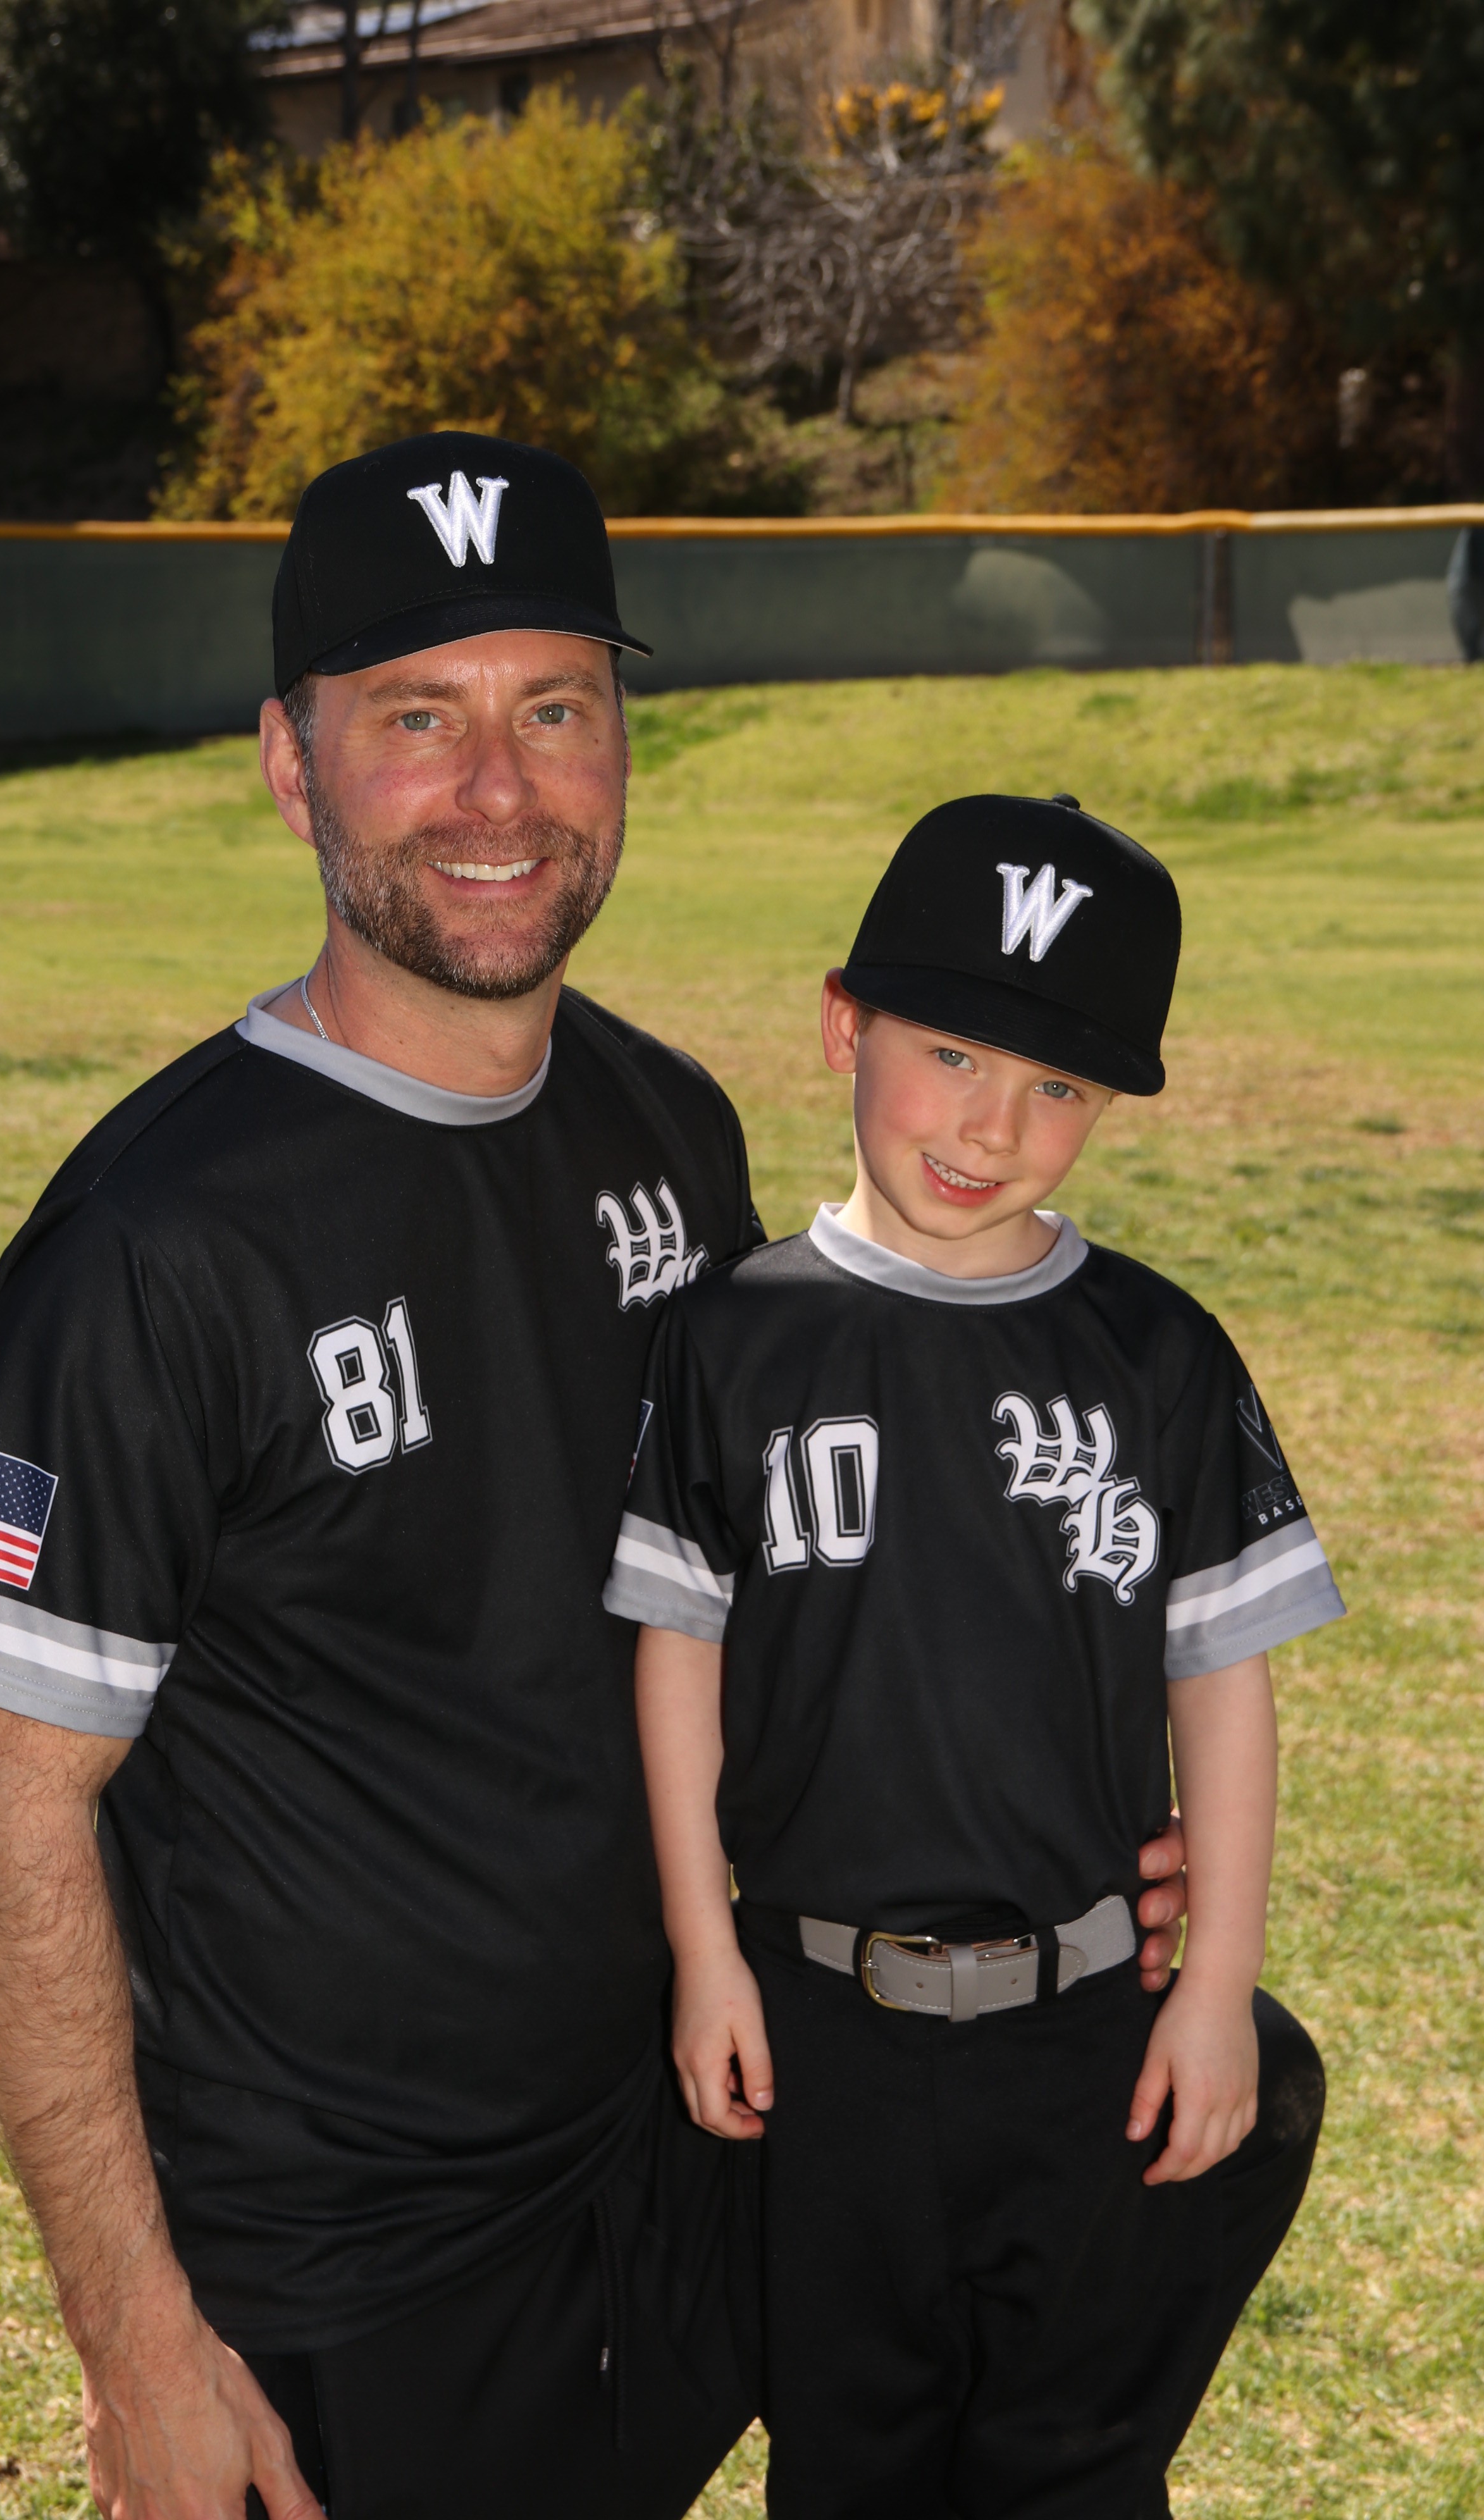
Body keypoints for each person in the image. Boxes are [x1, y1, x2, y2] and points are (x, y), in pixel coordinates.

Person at [0, 439, 1193, 2520]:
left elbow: (780, 1594)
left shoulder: (666, 1127)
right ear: (292, 765)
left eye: (557, 710)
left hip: (690, 2123)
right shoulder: (156, 1244)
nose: (500, 791)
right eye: (418, 717)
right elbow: (7, 1805)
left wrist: (1062, 1834)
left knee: (1187, 2116)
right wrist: (138, 2346)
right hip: (362, 2248)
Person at [605, 793, 1341, 2518]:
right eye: (950, 1053)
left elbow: (1222, 1681)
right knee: (848, 2464)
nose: (991, 1125)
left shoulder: (1155, 1352)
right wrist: (706, 1957)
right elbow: (679, 1665)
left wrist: (1218, 1984)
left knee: (1072, 2471)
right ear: (843, 1024)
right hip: (822, 2026)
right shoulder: (733, 1337)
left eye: (1058, 1085)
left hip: (1083, 2025)